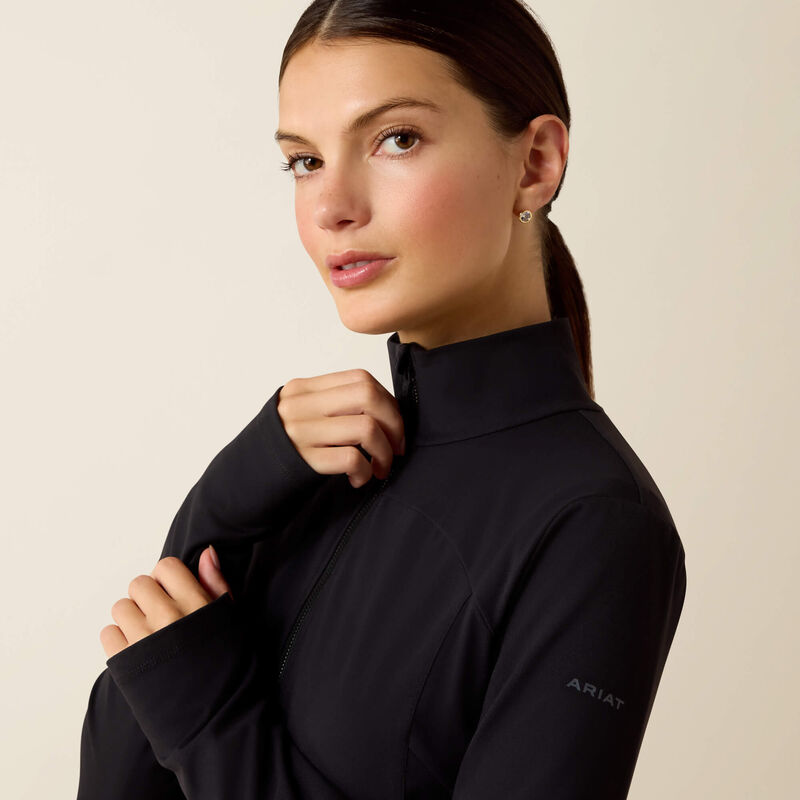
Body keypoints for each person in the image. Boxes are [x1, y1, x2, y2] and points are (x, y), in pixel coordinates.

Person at [77, 1, 687, 798]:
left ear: (535, 162)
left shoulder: (596, 526)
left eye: (396, 139)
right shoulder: (304, 475)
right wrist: (220, 506)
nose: (332, 206)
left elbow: (187, 724)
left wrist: (214, 723)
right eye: (304, 160)